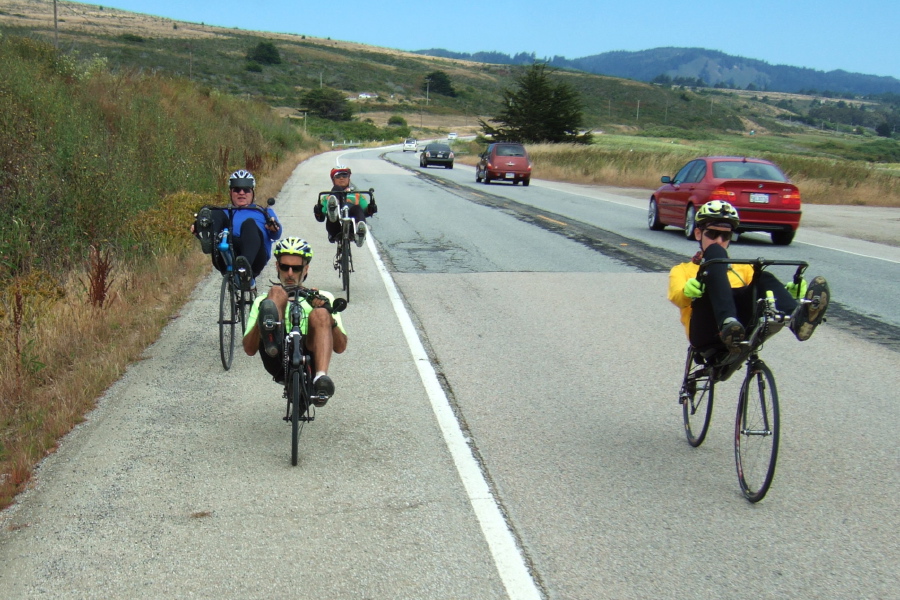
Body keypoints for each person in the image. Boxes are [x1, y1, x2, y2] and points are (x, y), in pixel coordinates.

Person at [668, 200, 830, 352]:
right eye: (712, 233)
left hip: (742, 329)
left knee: (762, 276)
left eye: (726, 236)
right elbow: (676, 296)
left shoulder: (743, 268)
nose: (719, 240)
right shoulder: (682, 270)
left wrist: (787, 293)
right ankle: (727, 322)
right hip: (706, 332)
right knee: (715, 256)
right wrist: (686, 292)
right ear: (698, 233)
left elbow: (759, 290)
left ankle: (798, 318)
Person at [242, 237, 347, 405]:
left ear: (305, 269)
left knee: (319, 314)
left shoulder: (323, 297)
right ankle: (272, 335)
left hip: (312, 353)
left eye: (296, 268)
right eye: (285, 267)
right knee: (276, 292)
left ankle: (320, 380)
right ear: (277, 267)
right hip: (276, 356)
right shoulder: (263, 300)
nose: (290, 273)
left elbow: (340, 347)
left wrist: (327, 312)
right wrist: (264, 312)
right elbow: (249, 349)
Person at [192, 169, 282, 291]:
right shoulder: (223, 212)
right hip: (226, 253)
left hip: (255, 257)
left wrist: (273, 228)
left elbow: (276, 234)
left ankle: (244, 269)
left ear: (252, 192)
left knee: (249, 223)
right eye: (237, 189)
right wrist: (199, 230)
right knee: (213, 213)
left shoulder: (264, 212)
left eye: (246, 190)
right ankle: (209, 235)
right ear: (231, 192)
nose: (241, 193)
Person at [313, 165, 377, 248]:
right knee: (336, 190)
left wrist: (371, 208)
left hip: (352, 227)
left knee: (357, 208)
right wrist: (318, 212)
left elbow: (366, 211)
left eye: (344, 175)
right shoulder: (327, 198)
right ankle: (333, 209)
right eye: (338, 176)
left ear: (349, 179)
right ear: (333, 180)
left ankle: (360, 232)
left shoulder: (357, 195)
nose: (341, 178)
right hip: (334, 227)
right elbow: (321, 218)